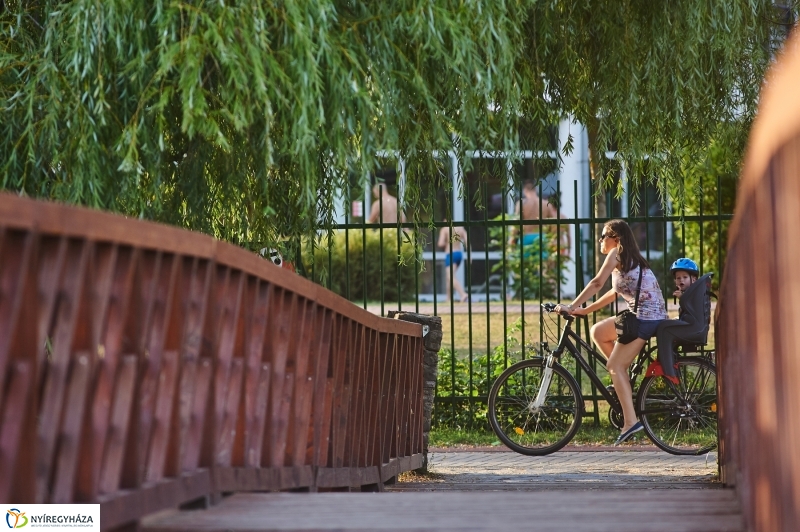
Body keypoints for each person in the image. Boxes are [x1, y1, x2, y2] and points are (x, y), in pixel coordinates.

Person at [555, 219, 668, 445]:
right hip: (642, 317)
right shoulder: (625, 257)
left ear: (615, 238)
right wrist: (585, 310)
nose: (600, 240)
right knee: (597, 331)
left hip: (646, 320)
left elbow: (597, 283)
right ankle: (621, 380)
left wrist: (571, 306)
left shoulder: (617, 253)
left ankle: (630, 422)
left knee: (614, 366)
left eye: (604, 235)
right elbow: (613, 293)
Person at [509, 180, 545, 255]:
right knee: (542, 264)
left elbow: (516, 222)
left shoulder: (521, 203)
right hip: (542, 236)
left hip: (526, 237)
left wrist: (512, 239)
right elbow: (553, 222)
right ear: (535, 190)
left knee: (525, 264)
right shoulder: (545, 204)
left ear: (525, 191)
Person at [437, 219, 469, 303]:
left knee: (450, 276)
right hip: (459, 254)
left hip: (450, 254)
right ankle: (448, 298)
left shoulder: (445, 229)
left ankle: (463, 294)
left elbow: (440, 243)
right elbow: (467, 242)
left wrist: (447, 242)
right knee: (449, 277)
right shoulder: (460, 228)